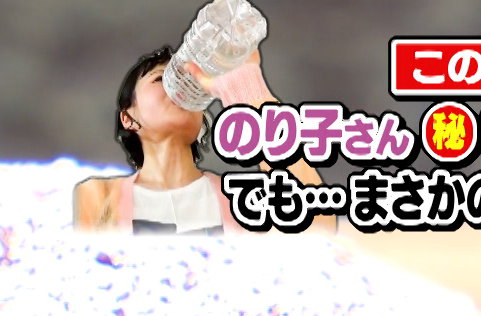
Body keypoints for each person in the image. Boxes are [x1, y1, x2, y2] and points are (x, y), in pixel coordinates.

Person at [73, 46, 330, 234]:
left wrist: (250, 93)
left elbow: (316, 229)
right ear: (128, 118)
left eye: (190, 82)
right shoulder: (99, 197)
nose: (179, 89)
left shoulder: (238, 199)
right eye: (161, 79)